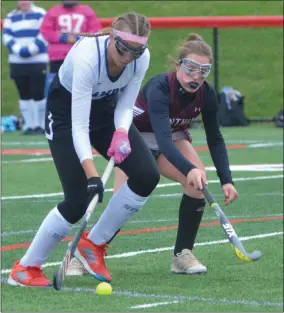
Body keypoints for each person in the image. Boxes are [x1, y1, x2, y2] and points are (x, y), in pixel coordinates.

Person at [8, 12, 160, 287]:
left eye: (136, 52)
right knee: (78, 199)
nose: (127, 58)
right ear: (112, 37)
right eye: (124, 49)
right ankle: (26, 268)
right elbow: (79, 125)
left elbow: (125, 105)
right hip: (66, 115)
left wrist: (122, 133)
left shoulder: (140, 57)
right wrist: (92, 175)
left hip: (105, 112)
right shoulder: (88, 56)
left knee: (147, 175)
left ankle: (93, 245)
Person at [67, 33, 239, 277]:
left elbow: (215, 138)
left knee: (197, 186)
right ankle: (81, 253)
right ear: (178, 65)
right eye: (190, 67)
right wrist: (189, 168)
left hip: (172, 136)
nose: (196, 76)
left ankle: (182, 255)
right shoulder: (160, 87)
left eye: (204, 70)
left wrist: (227, 179)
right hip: (134, 137)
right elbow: (162, 140)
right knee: (122, 202)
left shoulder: (206, 94)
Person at [2, 0, 48, 135]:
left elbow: (44, 33)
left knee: (38, 93)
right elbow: (6, 36)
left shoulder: (41, 14)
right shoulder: (11, 16)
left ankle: (40, 126)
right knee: (24, 94)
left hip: (37, 60)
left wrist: (30, 50)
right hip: (17, 61)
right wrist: (19, 50)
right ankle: (30, 125)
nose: (24, 2)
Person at [40, 0, 101, 97]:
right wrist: (63, 38)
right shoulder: (53, 11)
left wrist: (77, 38)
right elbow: (46, 31)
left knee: (81, 87)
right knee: (56, 88)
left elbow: (94, 31)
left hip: (81, 55)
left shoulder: (87, 11)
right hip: (58, 57)